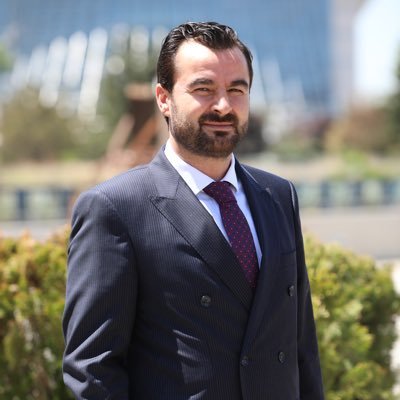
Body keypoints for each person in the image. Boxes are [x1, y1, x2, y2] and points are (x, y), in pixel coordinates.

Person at [62, 21, 325, 399]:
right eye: (204, 89)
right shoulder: (115, 209)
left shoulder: (279, 196)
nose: (223, 106)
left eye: (237, 90)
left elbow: (302, 348)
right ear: (163, 98)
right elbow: (93, 369)